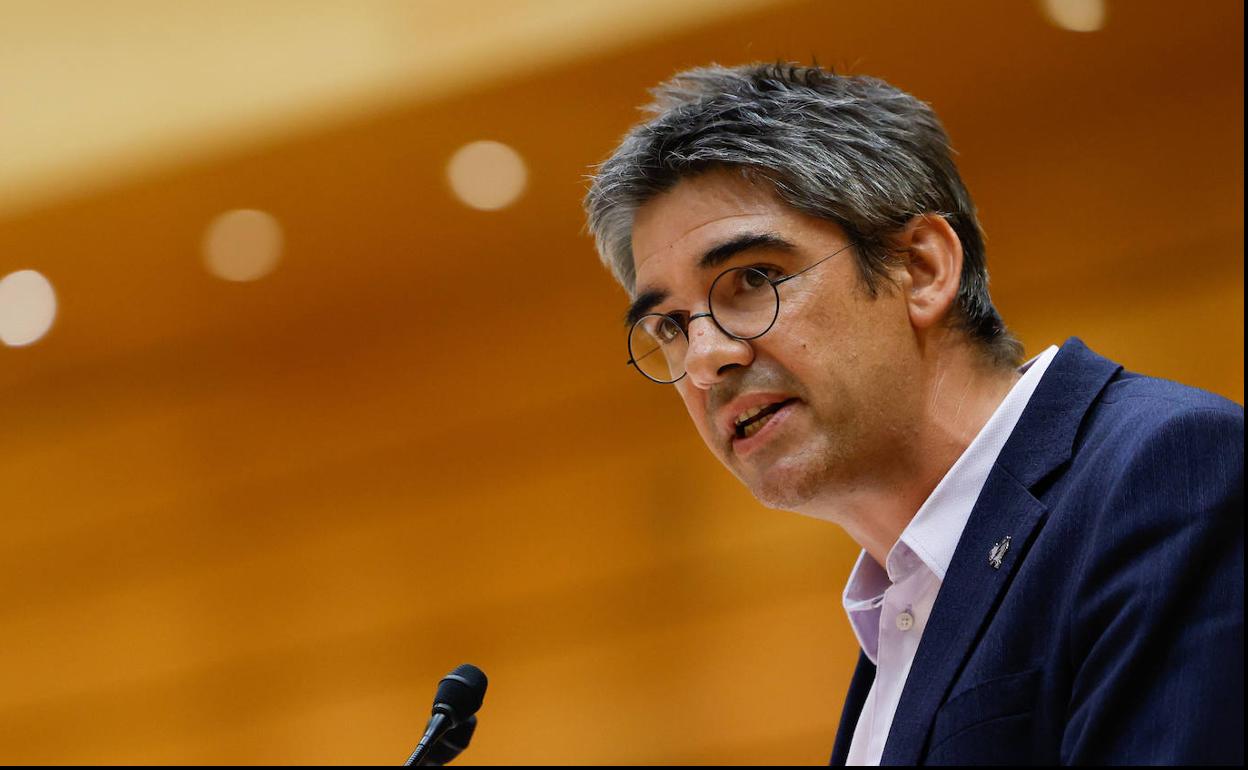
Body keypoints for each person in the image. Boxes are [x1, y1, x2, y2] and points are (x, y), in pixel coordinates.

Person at [582, 62, 1243, 765]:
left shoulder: (1166, 473)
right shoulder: (902, 609)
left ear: (922, 269)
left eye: (754, 278)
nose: (706, 357)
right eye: (670, 326)